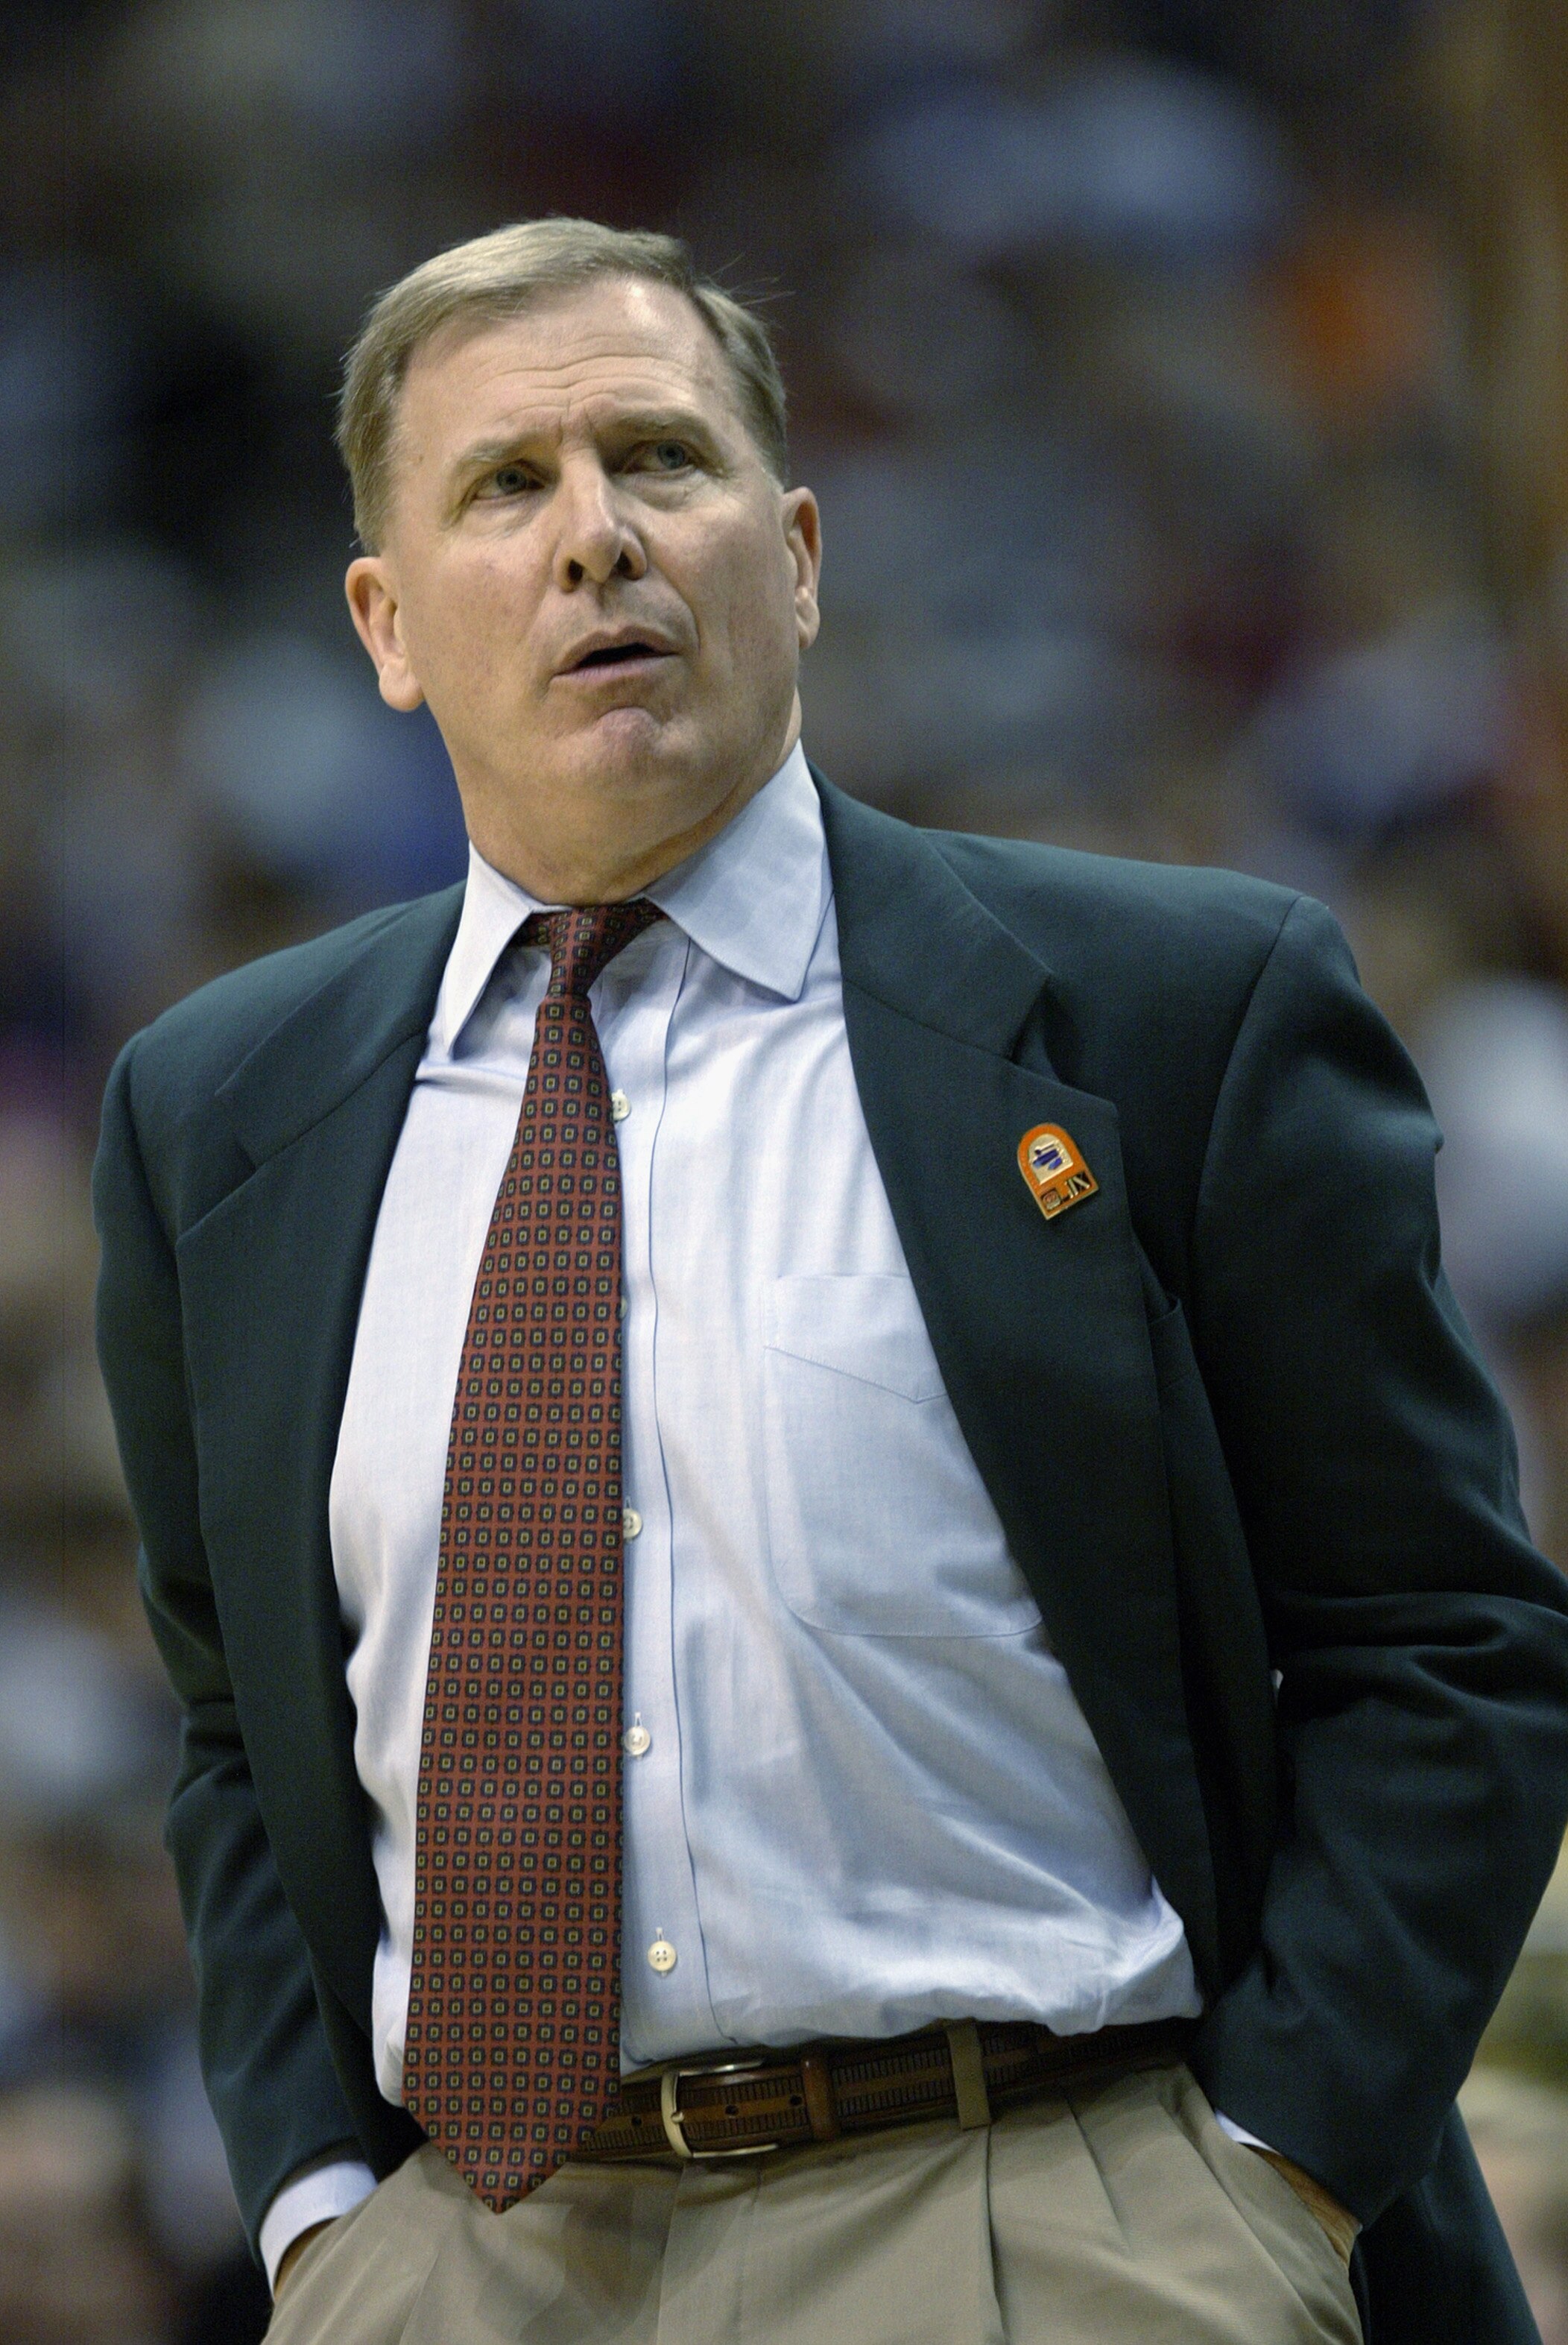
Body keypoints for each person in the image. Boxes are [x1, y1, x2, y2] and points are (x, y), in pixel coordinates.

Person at [93, 218, 1568, 2345]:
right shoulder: (213, 1114)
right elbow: (240, 1735)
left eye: (659, 460)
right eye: (508, 486)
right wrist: (329, 2215)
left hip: (1043, 2213)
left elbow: (1444, 1636)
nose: (597, 535)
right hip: (473, 2260)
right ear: (387, 625)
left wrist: (1265, 2182)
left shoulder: (1175, 1013)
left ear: (793, 555)